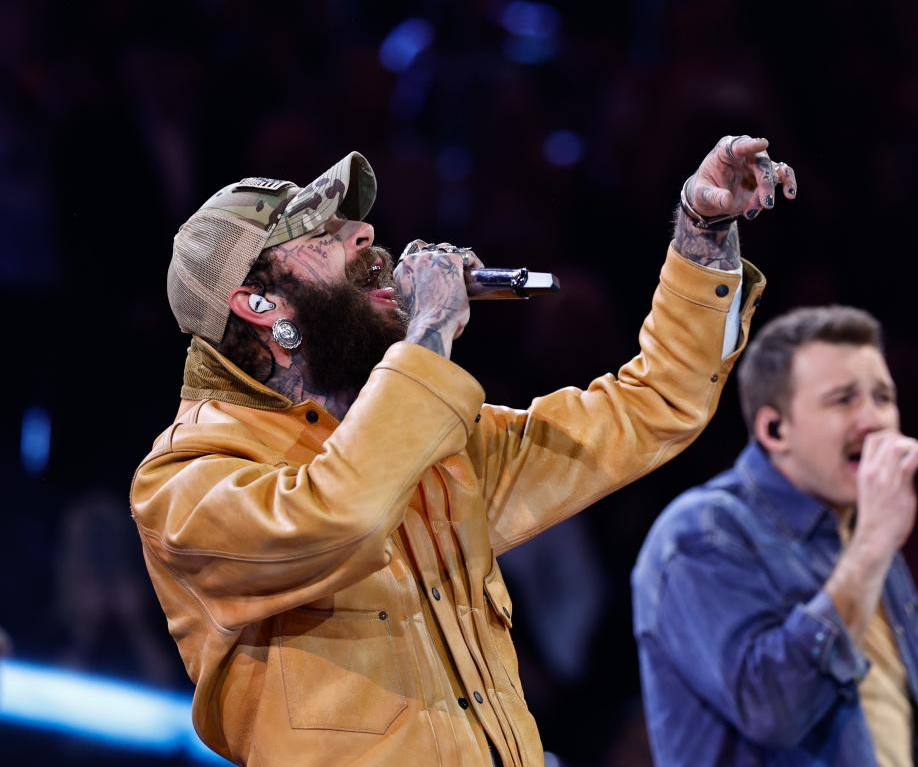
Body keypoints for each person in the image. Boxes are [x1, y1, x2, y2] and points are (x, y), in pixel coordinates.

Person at [131, 135, 796, 766]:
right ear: (257, 301)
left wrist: (701, 233)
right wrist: (427, 332)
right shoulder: (185, 480)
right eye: (320, 235)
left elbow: (654, 408)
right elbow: (341, 516)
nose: (363, 234)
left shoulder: (432, 441)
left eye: (353, 224)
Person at [632, 304, 918, 767]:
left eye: (883, 397)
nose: (874, 419)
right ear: (775, 429)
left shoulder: (863, 533)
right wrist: (872, 547)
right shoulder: (702, 534)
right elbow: (772, 710)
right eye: (844, 399)